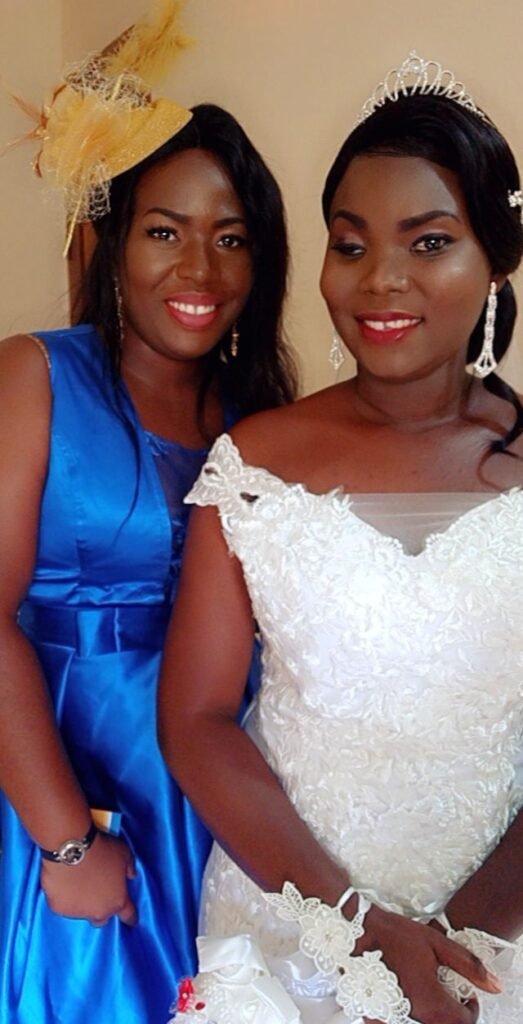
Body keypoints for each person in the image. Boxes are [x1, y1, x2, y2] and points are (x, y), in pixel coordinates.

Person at [159, 53, 523, 1024]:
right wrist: (357, 925)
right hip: (288, 928)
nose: (380, 280)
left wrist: (466, 946)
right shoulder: (252, 460)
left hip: (501, 927)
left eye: (428, 241)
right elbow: (195, 719)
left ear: (495, 259)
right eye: (350, 244)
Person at [0, 13, 296, 1021]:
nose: (199, 269)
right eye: (166, 231)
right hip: (67, 787)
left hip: (219, 794)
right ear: (113, 241)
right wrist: (65, 843)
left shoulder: (265, 420)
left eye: (230, 238)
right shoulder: (37, 376)